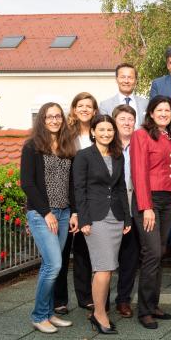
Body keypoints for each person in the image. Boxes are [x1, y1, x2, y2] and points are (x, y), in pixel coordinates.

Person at [21, 102, 78, 333]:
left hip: (64, 213)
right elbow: (27, 184)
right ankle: (38, 315)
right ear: (42, 120)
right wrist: (46, 213)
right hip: (41, 214)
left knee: (53, 264)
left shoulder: (66, 145)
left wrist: (74, 211)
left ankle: (48, 313)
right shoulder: (32, 146)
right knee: (54, 264)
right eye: (49, 116)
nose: (54, 120)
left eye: (57, 116)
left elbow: (71, 183)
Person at [74, 115, 132, 334]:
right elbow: (79, 190)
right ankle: (99, 314)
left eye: (110, 130)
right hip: (95, 218)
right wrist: (84, 219)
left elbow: (119, 189)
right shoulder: (83, 156)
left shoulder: (118, 156)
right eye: (102, 130)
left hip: (116, 217)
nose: (106, 133)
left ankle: (98, 311)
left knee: (108, 268)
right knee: (104, 268)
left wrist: (126, 218)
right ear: (93, 132)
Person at [131, 96, 171, 329]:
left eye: (167, 110)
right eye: (159, 110)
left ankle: (153, 305)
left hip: (167, 200)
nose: (163, 113)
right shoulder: (141, 135)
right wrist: (146, 206)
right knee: (151, 253)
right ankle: (144, 311)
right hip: (148, 200)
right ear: (150, 113)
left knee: (160, 252)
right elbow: (139, 173)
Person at [54, 92, 98, 314]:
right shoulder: (65, 135)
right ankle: (59, 300)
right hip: (66, 199)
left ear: (94, 110)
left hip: (89, 201)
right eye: (80, 106)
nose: (84, 109)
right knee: (61, 252)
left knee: (83, 252)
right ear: (73, 109)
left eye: (88, 106)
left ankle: (85, 297)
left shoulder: (98, 134)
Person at [111, 105, 140, 318]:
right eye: (122, 119)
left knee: (130, 256)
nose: (127, 123)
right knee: (106, 257)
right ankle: (98, 300)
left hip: (135, 204)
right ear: (114, 122)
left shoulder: (140, 144)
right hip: (111, 207)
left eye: (131, 119)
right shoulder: (107, 145)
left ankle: (123, 299)